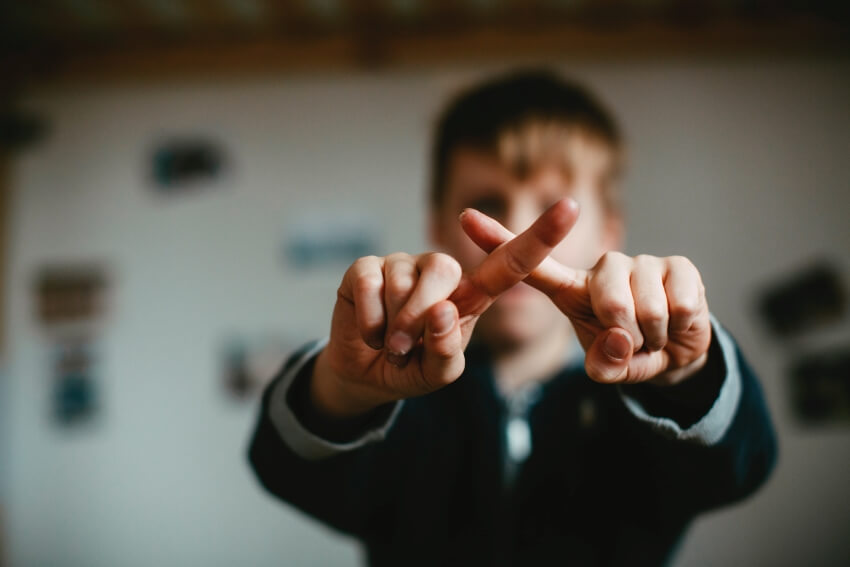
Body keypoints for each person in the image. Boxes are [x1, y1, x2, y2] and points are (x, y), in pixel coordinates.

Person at [248, 70, 777, 566]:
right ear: (438, 224)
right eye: (487, 202)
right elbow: (285, 469)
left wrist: (686, 374)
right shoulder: (398, 401)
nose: (520, 237)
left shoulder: (639, 412)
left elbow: (738, 468)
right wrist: (344, 390)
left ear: (611, 232)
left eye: (553, 208)